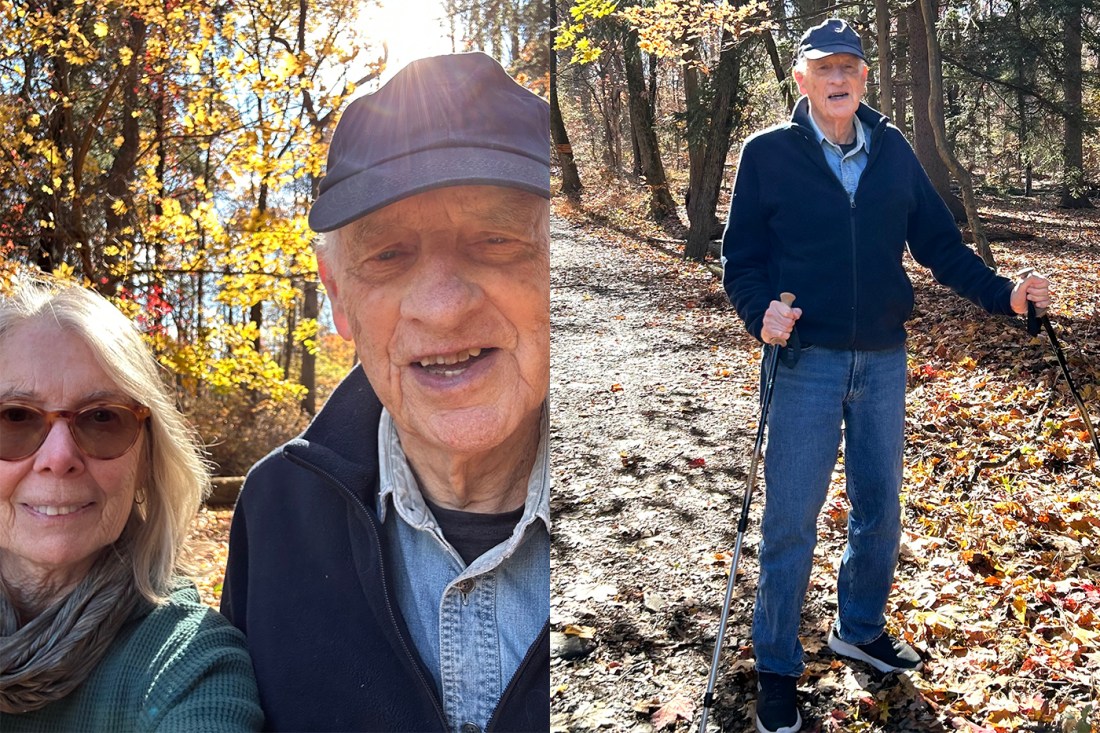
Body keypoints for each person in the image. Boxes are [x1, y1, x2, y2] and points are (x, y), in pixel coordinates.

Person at [721, 18, 1051, 733]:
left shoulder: (894, 151)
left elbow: (939, 244)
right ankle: (776, 664)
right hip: (803, 361)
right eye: (823, 67)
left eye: (850, 66)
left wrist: (1005, 293)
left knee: (880, 508)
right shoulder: (767, 154)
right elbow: (740, 258)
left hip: (882, 358)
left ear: (864, 78)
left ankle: (859, 628)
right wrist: (760, 315)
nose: (838, 78)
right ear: (801, 79)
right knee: (789, 523)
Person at [220, 51, 550, 732]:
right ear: (338, 295)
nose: (441, 305)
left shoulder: (650, 513)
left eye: (495, 238)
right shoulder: (278, 512)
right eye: (389, 254)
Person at [0, 275, 263, 732]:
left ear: (147, 460)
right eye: (15, 417)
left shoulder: (188, 667)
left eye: (103, 418)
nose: (59, 459)